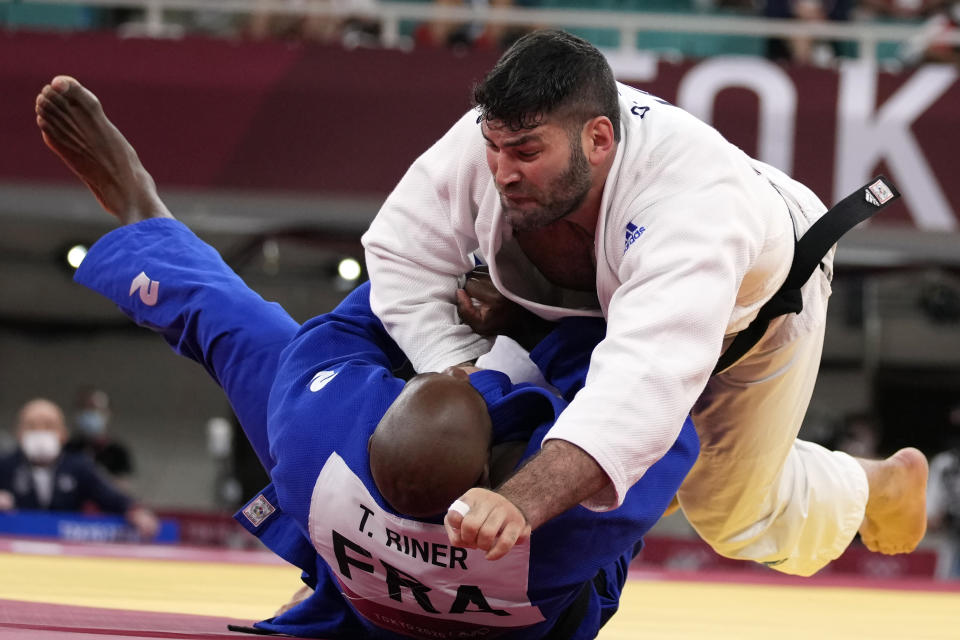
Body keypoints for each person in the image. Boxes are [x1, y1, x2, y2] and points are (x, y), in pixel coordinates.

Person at [34, 74, 698, 639]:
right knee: (624, 415)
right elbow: (651, 387)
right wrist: (521, 312)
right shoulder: (557, 527)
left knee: (233, 325)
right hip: (537, 619)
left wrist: (440, 299)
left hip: (355, 578)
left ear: (373, 413)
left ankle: (139, 207)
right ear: (500, 458)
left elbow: (371, 306)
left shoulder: (316, 433)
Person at [362, 28, 929, 576]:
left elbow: (642, 383)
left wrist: (518, 504)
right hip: (628, 297)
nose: (503, 172)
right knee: (527, 411)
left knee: (730, 513)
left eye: (526, 153)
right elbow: (402, 251)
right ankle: (658, 470)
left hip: (763, 301)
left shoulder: (691, 209)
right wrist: (454, 361)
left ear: (599, 139)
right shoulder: (500, 133)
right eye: (494, 148)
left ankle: (878, 483)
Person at [0, 398, 158, 539]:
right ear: (19, 433)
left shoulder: (78, 466)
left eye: (48, 426)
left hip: (67, 549)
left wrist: (136, 512)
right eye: (32, 427)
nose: (40, 433)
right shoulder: (5, 465)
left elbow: (111, 497)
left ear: (62, 433)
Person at [64, 387, 136, 486]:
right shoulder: (68, 448)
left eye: (95, 409)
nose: (90, 414)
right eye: (86, 409)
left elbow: (123, 487)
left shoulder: (118, 451)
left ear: (107, 413)